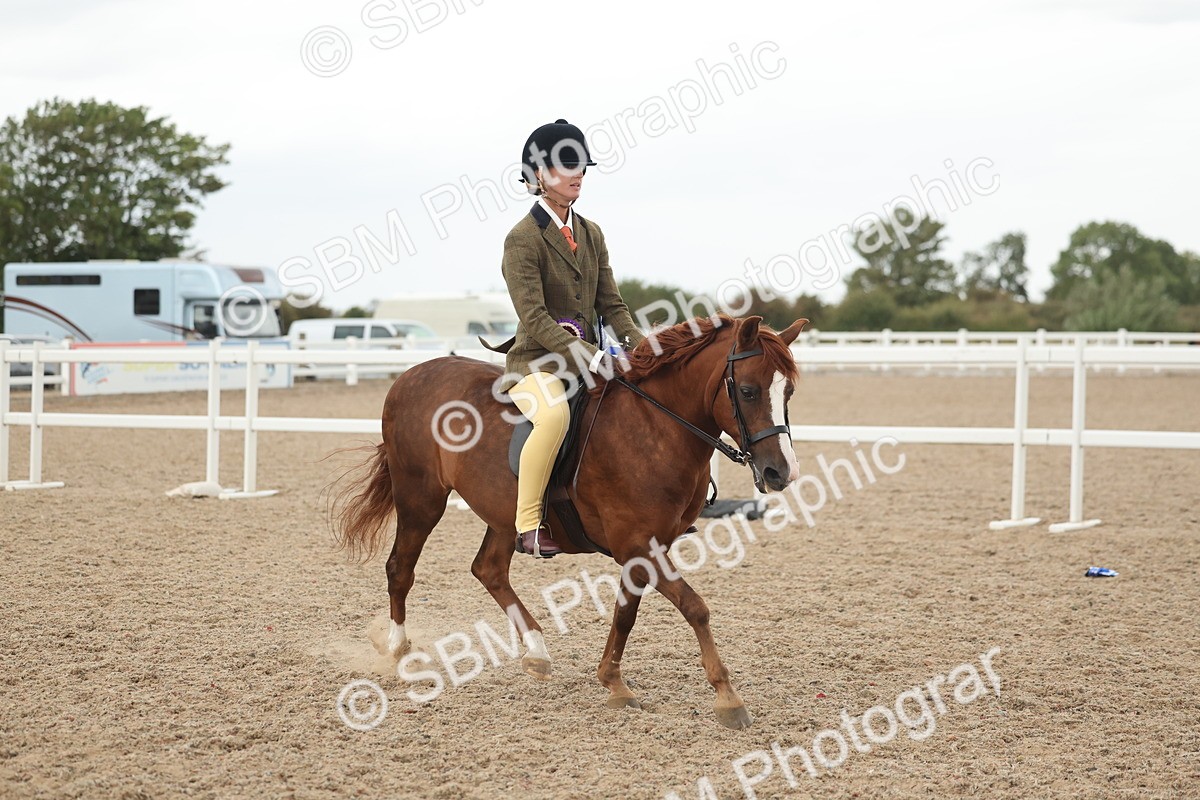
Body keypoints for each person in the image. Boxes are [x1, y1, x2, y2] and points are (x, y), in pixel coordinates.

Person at [496, 119, 647, 557]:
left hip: (591, 357)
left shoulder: (592, 233)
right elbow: (535, 317)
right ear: (538, 175)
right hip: (537, 364)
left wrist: (646, 351)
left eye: (581, 165)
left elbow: (612, 305)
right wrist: (590, 356)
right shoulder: (522, 240)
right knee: (555, 417)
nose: (577, 174)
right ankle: (528, 524)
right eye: (566, 167)